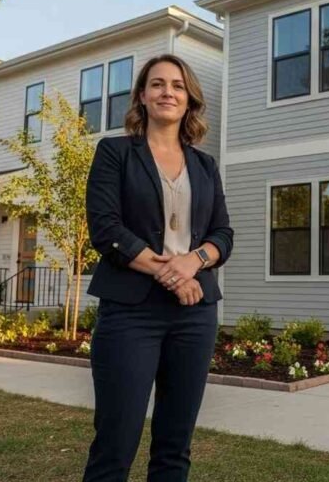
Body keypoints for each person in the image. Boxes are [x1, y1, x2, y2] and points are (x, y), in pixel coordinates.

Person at [82, 54, 232, 481]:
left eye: (178, 86)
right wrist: (171, 273)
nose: (168, 92)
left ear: (190, 100)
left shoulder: (205, 166)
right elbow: (106, 228)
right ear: (143, 97)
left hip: (194, 314)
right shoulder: (115, 153)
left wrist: (192, 262)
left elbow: (223, 235)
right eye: (158, 84)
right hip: (130, 312)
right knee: (116, 441)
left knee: (175, 445)